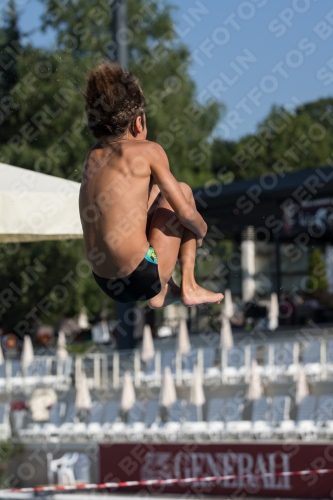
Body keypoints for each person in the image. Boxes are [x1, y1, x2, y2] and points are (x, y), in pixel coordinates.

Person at [79, 62, 224, 308]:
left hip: (104, 280)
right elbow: (186, 213)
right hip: (141, 276)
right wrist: (200, 230)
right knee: (184, 191)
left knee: (155, 193)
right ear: (138, 123)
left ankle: (164, 291)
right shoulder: (148, 150)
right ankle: (189, 285)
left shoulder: (92, 156)